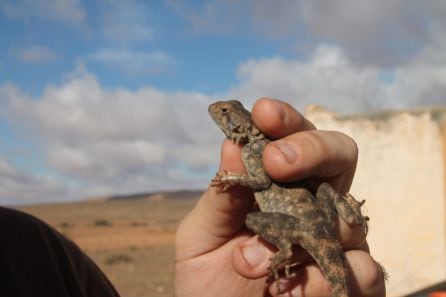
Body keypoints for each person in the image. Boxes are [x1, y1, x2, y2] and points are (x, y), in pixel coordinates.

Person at [175, 98, 386, 296]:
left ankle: (285, 248)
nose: (216, 112)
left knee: (251, 220)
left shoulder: (254, 149)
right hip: (319, 223)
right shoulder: (259, 148)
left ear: (240, 125)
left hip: (299, 227)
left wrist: (233, 179)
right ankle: (351, 216)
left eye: (224, 112)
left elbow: (262, 182)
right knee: (324, 189)